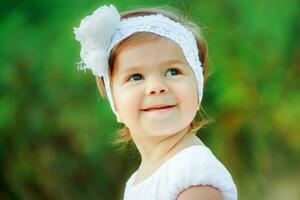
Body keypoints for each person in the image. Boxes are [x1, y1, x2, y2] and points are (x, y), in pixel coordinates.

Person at [74, 4, 237, 200]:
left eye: (173, 72)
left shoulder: (193, 173)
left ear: (198, 87)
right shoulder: (139, 179)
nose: (156, 87)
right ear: (115, 103)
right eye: (135, 77)